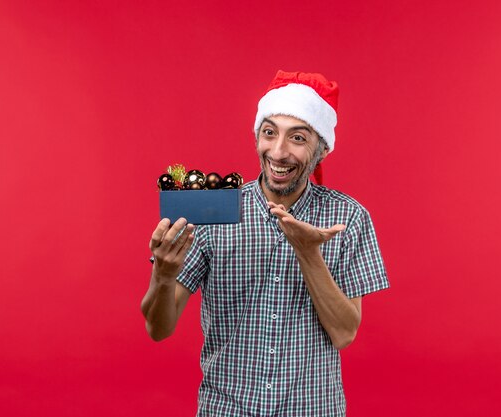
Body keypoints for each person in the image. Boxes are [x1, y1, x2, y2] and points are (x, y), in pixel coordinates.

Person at [141, 70, 389, 416]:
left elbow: (344, 333)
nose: (279, 151)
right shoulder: (214, 214)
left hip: (314, 409)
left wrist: (308, 252)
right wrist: (164, 276)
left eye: (298, 138)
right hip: (226, 408)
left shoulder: (348, 218)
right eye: (269, 133)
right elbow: (158, 328)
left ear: (320, 151)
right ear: (257, 136)